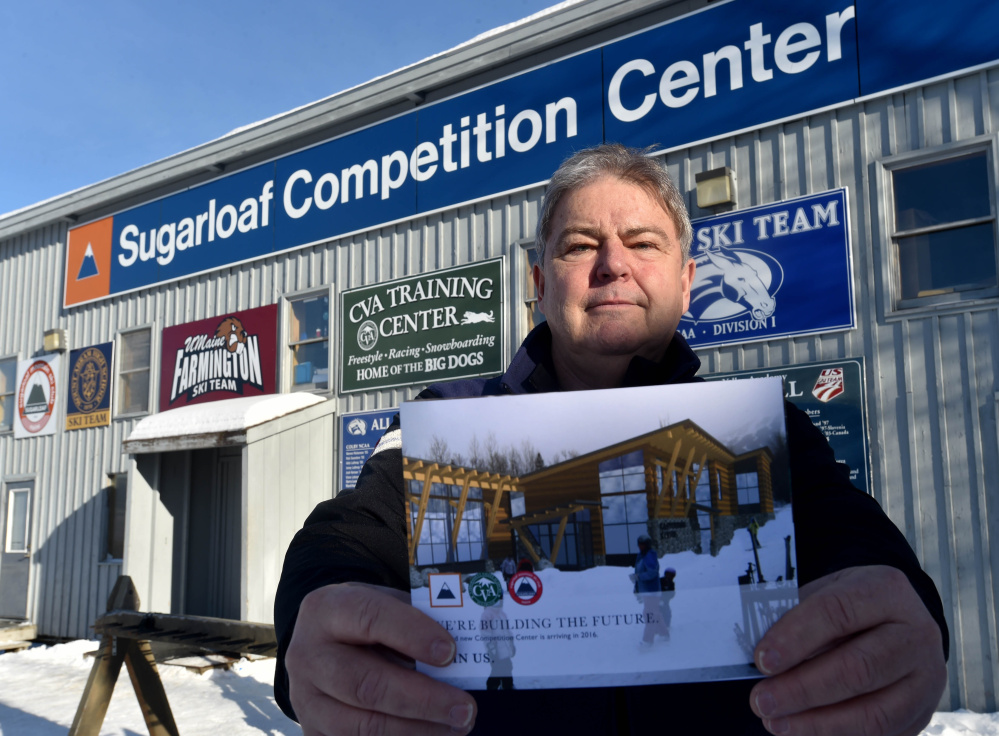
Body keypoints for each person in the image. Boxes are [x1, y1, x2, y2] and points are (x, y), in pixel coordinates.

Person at [274, 144, 948, 736]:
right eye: (578, 245)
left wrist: (902, 605)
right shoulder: (448, 420)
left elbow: (845, 530)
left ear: (686, 284)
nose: (611, 266)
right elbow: (356, 531)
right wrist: (318, 602)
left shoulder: (760, 428)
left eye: (643, 242)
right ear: (538, 285)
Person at [633, 534, 669, 648]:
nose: (640, 546)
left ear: (647, 545)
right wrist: (637, 587)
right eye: (639, 544)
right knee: (654, 613)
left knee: (649, 615)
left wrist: (639, 577)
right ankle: (664, 634)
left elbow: (652, 572)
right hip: (646, 590)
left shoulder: (650, 555)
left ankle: (647, 641)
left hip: (652, 590)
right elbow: (638, 572)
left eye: (642, 544)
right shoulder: (641, 555)